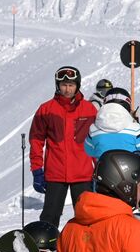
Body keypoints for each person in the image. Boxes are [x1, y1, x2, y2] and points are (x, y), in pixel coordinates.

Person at [30, 65, 98, 226]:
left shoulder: (89, 110)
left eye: (71, 85)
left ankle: (86, 250)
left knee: (86, 218)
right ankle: (46, 248)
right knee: (49, 217)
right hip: (56, 173)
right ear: (57, 86)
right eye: (64, 85)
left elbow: (96, 141)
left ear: (77, 86)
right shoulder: (46, 109)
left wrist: (99, 169)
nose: (67, 89)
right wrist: (37, 170)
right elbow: (36, 140)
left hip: (82, 174)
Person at [84, 100, 140, 164]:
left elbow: (89, 151)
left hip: (104, 175)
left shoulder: (94, 130)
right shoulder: (136, 129)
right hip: (132, 175)